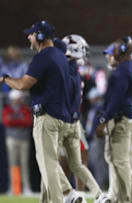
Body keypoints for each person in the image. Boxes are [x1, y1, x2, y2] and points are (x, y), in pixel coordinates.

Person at [0, 20, 73, 203]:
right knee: (49, 163)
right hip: (61, 117)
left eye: (31, 34)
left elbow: (24, 84)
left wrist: (5, 79)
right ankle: (53, 198)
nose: (28, 37)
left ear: (40, 36)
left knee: (47, 165)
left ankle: (63, 197)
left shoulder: (44, 56)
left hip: (47, 117)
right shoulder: (59, 55)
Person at [60, 34, 110, 203]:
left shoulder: (69, 70)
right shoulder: (70, 70)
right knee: (72, 160)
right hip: (72, 119)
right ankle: (83, 193)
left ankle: (74, 194)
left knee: (67, 160)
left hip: (66, 119)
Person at [95, 36, 132, 203]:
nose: (108, 57)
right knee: (116, 159)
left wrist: (103, 121)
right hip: (128, 118)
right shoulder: (130, 67)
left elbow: (115, 100)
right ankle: (120, 196)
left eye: (110, 53)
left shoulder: (121, 71)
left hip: (121, 119)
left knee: (120, 161)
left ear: (119, 53)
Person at [2, 89, 32, 195]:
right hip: (11, 139)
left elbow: (28, 122)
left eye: (18, 99)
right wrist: (19, 120)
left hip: (24, 139)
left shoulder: (25, 109)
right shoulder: (7, 110)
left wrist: (14, 120)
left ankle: (27, 188)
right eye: (14, 99)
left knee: (24, 164)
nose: (16, 101)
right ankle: (14, 188)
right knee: (13, 164)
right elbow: (6, 121)